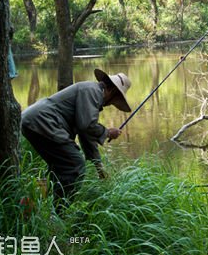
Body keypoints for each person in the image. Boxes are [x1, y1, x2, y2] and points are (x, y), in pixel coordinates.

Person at [21, 69, 131, 210]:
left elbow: (85, 134)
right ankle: (59, 212)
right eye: (115, 100)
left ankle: (31, 204)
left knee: (58, 167)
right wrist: (107, 132)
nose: (111, 104)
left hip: (34, 120)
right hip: (44, 121)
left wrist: (99, 167)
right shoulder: (93, 92)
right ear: (112, 91)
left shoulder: (91, 92)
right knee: (75, 165)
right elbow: (86, 126)